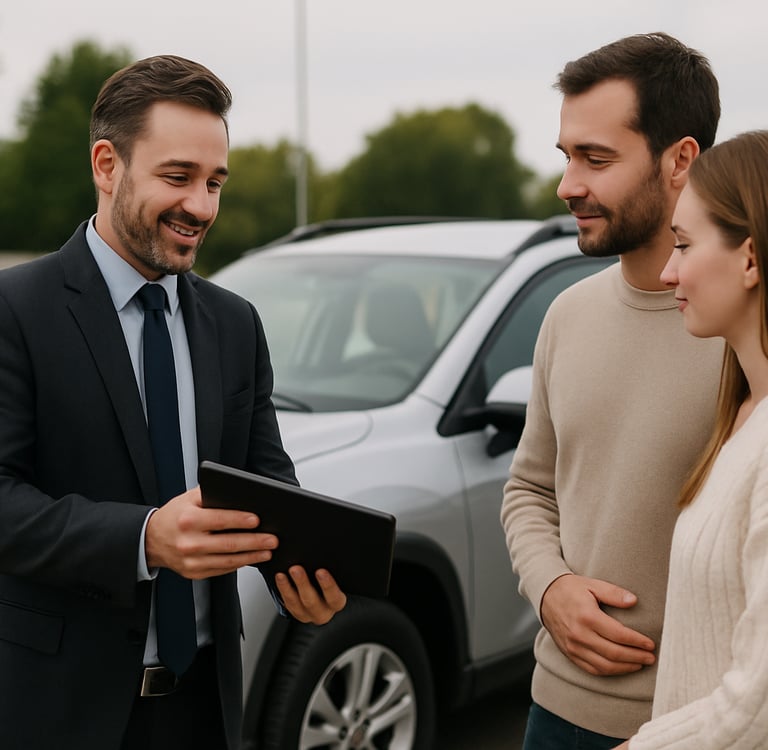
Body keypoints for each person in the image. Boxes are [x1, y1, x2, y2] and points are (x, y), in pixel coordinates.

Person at [0, 55, 346, 750]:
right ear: (107, 165)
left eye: (214, 182)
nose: (203, 207)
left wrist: (302, 578)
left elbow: (265, 483)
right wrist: (144, 537)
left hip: (204, 708)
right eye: (179, 177)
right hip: (57, 711)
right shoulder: (15, 309)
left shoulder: (235, 323)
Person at [500, 32, 723, 748]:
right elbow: (529, 489)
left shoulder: (744, 333)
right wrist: (551, 588)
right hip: (552, 711)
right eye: (567, 156)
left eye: (596, 159)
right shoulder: (566, 314)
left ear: (680, 160)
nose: (568, 184)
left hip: (693, 724)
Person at [613, 130, 768, 749]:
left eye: (683, 244)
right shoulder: (742, 415)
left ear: (750, 259)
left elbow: (758, 705)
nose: (667, 270)